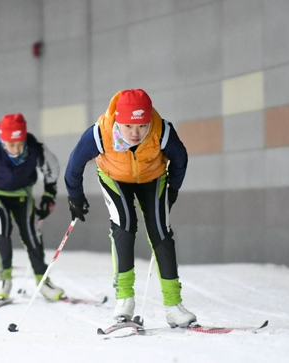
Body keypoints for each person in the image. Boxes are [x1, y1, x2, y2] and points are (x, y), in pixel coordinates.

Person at [64, 89, 197, 327]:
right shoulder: (99, 134)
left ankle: (173, 306)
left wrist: (173, 189)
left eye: (142, 126)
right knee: (124, 225)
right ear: (117, 120)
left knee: (160, 230)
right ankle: (124, 299)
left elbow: (180, 159)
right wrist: (75, 196)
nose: (136, 133)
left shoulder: (162, 131)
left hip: (153, 178)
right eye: (128, 127)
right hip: (114, 177)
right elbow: (75, 163)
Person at [0, 113, 64, 301]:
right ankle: (4, 280)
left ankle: (42, 280)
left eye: (19, 144)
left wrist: (49, 195)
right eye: (11, 145)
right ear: (2, 139)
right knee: (1, 222)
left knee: (31, 231)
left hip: (22, 192)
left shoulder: (34, 148)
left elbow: (53, 168)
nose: (16, 150)